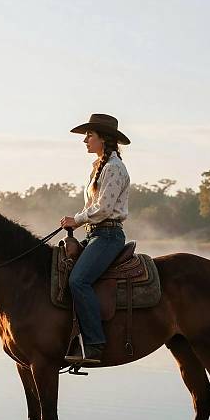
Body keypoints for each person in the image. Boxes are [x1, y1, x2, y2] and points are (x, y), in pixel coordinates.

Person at [60, 114, 131, 364]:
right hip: (95, 235)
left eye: (89, 135)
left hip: (108, 235)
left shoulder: (113, 168)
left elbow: (103, 208)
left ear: (104, 138)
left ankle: (95, 343)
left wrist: (76, 220)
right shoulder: (98, 167)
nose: (85, 140)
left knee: (78, 281)